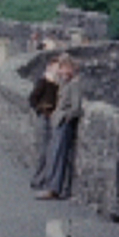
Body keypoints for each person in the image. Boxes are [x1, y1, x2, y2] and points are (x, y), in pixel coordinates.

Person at [36, 54, 82, 201]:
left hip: (63, 124)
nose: (60, 71)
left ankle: (55, 189)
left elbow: (76, 108)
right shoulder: (65, 83)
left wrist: (65, 117)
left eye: (63, 68)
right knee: (54, 155)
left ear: (70, 68)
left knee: (59, 156)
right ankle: (51, 186)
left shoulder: (74, 84)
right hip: (58, 122)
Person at [28, 57, 60, 191]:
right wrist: (41, 109)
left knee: (51, 150)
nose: (57, 70)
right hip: (44, 117)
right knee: (43, 151)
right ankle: (38, 179)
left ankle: (46, 179)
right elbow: (32, 98)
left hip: (54, 117)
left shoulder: (58, 82)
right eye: (55, 67)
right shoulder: (43, 82)